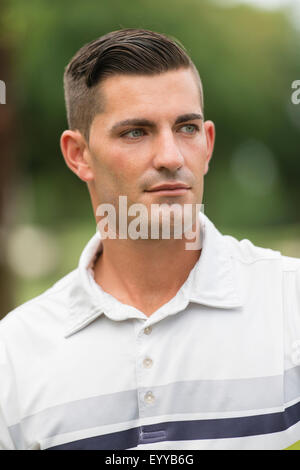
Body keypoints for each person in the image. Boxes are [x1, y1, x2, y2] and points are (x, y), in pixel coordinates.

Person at [0, 28, 299, 451]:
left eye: (187, 128)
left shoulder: (291, 305)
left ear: (208, 143)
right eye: (136, 132)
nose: (171, 157)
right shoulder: (13, 355)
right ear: (78, 155)